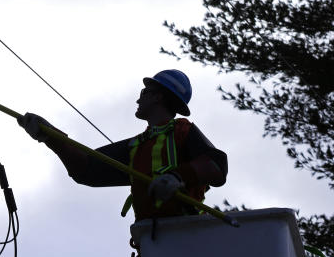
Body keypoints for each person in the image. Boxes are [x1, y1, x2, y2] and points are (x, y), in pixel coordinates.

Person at [18, 69, 227, 220]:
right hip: (153, 240)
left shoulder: (183, 131)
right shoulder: (138, 146)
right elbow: (86, 169)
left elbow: (217, 166)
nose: (138, 99)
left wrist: (177, 177)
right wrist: (50, 136)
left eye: (144, 92)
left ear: (158, 96)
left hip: (189, 233)